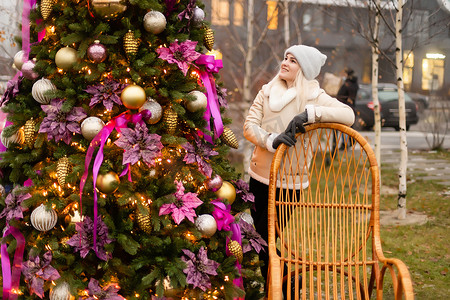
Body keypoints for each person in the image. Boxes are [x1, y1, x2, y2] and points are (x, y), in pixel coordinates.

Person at [243, 45, 355, 293]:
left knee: (264, 238)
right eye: (285, 58)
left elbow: (348, 115)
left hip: (289, 184)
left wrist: (310, 114)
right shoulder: (267, 91)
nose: (284, 63)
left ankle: (283, 286)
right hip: (259, 177)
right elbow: (249, 126)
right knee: (263, 240)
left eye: (293, 61)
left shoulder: (315, 97)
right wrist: (271, 139)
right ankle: (284, 285)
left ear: (303, 69)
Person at [335, 67, 359, 149]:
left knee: (344, 126)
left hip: (345, 106)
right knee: (349, 125)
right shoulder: (354, 83)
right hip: (350, 106)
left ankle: (345, 143)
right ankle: (351, 141)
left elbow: (342, 94)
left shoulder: (348, 84)